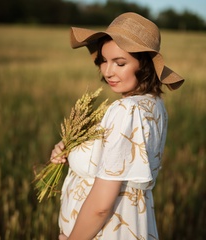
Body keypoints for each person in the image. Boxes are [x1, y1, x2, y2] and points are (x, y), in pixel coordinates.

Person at [50, 12, 184, 240]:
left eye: (120, 63)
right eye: (103, 60)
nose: (107, 71)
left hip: (106, 231)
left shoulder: (125, 111)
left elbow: (102, 204)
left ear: (145, 65)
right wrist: (71, 147)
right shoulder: (154, 105)